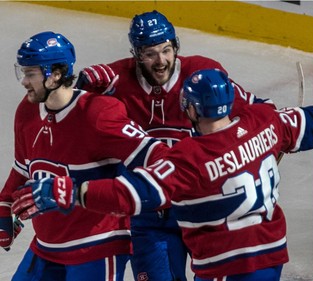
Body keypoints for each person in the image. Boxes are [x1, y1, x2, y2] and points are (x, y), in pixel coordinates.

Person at [11, 69, 313, 280]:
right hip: (271, 257)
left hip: (224, 265)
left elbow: (132, 194)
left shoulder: (189, 158)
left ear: (190, 109)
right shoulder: (265, 122)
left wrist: (74, 192)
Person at [76, 10, 273, 281]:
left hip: (206, 212)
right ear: (136, 54)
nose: (160, 61)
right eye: (150, 53)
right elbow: (74, 120)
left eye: (166, 50)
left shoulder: (203, 75)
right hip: (149, 215)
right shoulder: (116, 81)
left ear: (176, 47)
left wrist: (263, 145)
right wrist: (83, 92)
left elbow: (261, 112)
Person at [0, 31, 168, 280]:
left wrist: (81, 191)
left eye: (30, 73)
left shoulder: (98, 113)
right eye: (23, 73)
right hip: (47, 245)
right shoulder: (26, 112)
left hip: (98, 247)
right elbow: (24, 169)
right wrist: (4, 205)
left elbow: (161, 158)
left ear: (55, 74)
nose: (24, 81)